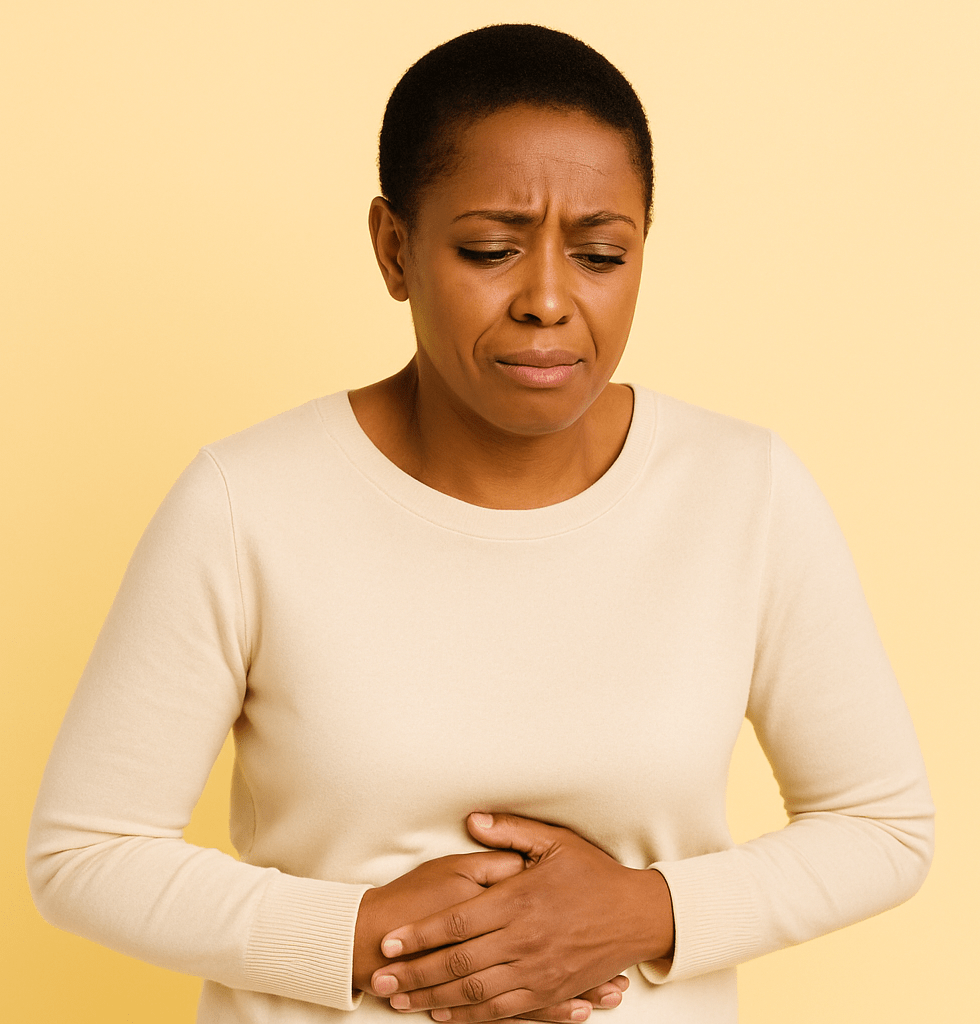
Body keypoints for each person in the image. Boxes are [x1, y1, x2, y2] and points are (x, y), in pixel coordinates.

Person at [27, 23, 934, 1024]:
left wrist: (639, 911)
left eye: (600, 254)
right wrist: (366, 931)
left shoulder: (741, 490)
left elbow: (881, 826)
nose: (547, 299)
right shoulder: (247, 501)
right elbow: (85, 854)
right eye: (490, 249)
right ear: (393, 247)